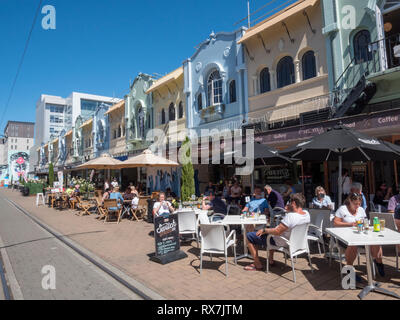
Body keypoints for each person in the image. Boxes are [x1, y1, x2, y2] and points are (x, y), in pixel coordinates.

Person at [244, 193, 310, 271]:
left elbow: (277, 231)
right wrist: (288, 211)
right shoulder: (306, 214)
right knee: (271, 232)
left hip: (282, 242)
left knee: (249, 236)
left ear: (293, 203)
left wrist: (264, 230)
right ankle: (270, 259)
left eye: (290, 202)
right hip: (296, 242)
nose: (288, 203)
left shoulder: (291, 217)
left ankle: (257, 264)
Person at [334, 193, 385, 277]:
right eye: (355, 204)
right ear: (350, 201)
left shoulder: (361, 209)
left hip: (360, 235)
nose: (357, 206)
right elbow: (335, 223)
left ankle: (379, 262)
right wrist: (351, 224)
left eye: (359, 204)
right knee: (353, 244)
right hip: (343, 236)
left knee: (375, 241)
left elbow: (365, 221)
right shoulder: (343, 209)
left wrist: (366, 225)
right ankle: (350, 270)